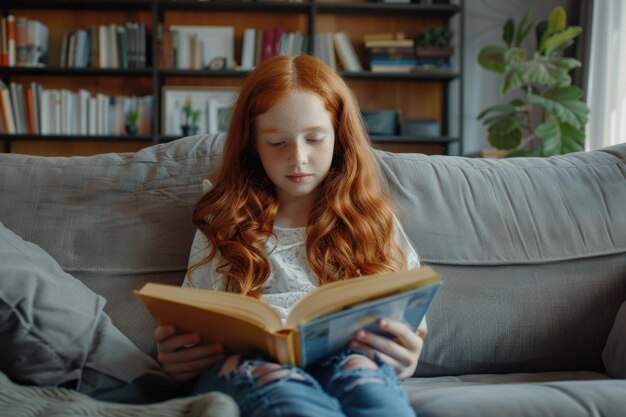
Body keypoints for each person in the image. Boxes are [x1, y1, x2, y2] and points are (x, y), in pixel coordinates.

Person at [154, 54, 426, 417]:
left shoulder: (372, 219)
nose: (298, 158)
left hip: (349, 359)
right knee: (276, 383)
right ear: (252, 143)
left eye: (314, 139)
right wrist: (179, 359)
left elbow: (409, 319)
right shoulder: (225, 220)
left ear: (339, 137)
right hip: (248, 367)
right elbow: (196, 319)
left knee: (364, 378)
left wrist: (406, 358)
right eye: (278, 143)